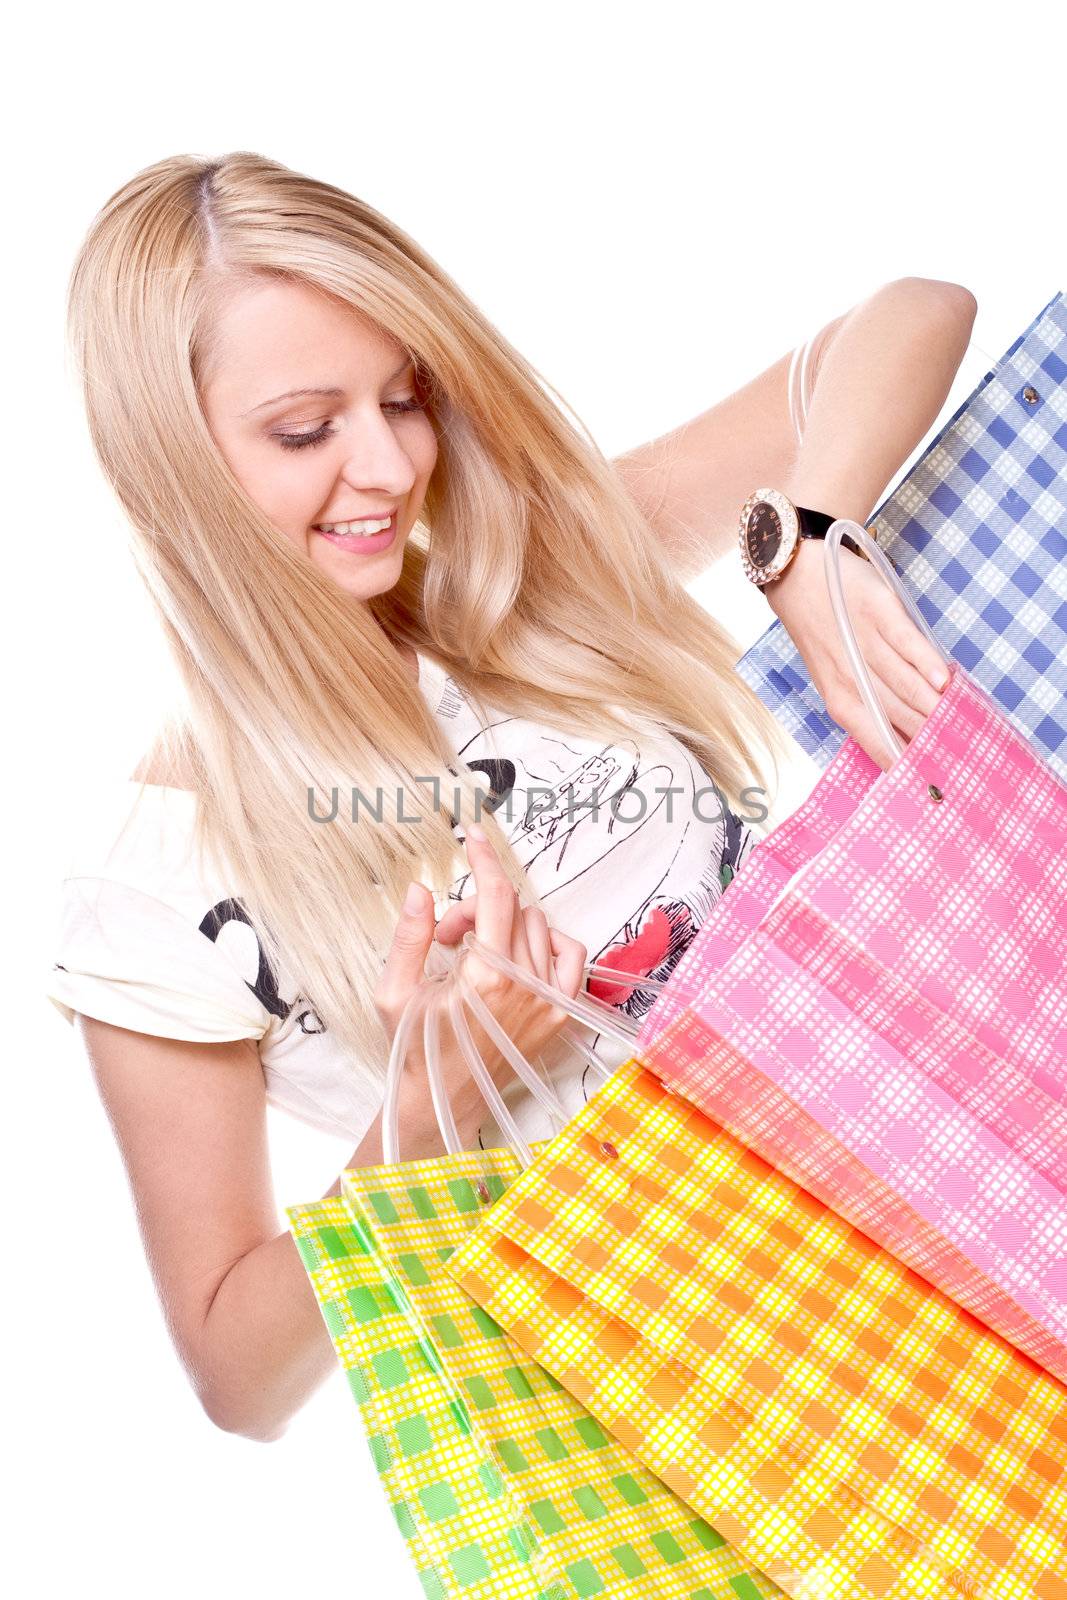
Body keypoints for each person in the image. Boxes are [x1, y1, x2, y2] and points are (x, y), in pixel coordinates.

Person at [45, 151, 976, 1444]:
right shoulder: (151, 885)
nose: (383, 467)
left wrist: (807, 538)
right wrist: (427, 1116)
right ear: (165, 460)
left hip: (954, 1167)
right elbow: (238, 1378)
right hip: (709, 1394)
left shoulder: (524, 582)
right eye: (306, 429)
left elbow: (915, 312)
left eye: (405, 397)